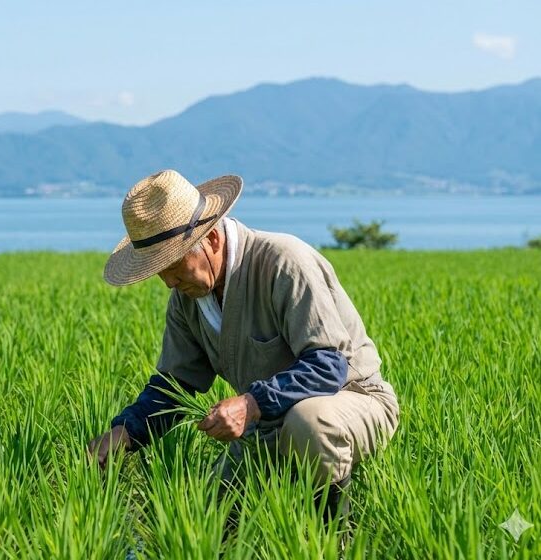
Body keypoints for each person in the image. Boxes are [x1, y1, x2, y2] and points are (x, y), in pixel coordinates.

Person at [86, 170, 400, 523]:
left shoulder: (282, 261)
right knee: (204, 522)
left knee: (309, 423)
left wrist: (250, 404)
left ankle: (333, 540)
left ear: (213, 240)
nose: (169, 281)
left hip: (353, 401)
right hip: (267, 422)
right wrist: (126, 432)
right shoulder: (186, 298)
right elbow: (175, 386)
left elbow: (328, 365)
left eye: (174, 265)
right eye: (159, 271)